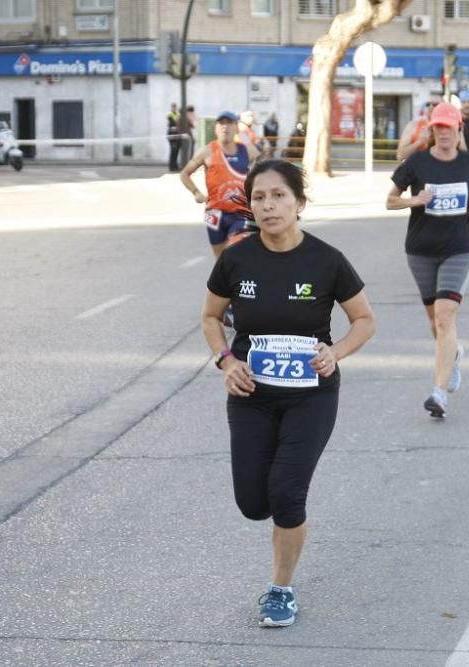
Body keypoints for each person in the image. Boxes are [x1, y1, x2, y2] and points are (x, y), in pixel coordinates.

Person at [202, 159, 375, 628]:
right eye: (259, 197)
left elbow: (364, 320)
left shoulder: (327, 260)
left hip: (310, 396)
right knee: (254, 504)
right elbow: (211, 318)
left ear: (299, 202)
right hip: (251, 394)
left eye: (279, 195)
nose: (269, 205)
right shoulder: (237, 258)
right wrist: (226, 361)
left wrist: (335, 353)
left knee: (287, 493)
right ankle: (279, 541)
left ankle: (281, 589)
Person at [386, 102, 469, 418]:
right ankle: (453, 356)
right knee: (435, 320)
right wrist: (412, 200)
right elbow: (390, 201)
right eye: (438, 127)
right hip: (420, 250)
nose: (444, 132)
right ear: (431, 131)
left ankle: (439, 392)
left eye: (449, 127)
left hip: (458, 247)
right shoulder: (416, 163)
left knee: (445, 316)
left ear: (459, 130)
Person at [180, 111, 261, 258]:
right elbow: (184, 174)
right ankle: (224, 280)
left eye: (229, 123)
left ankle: (236, 277)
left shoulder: (245, 150)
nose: (225, 127)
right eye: (221, 124)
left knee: (235, 249)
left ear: (236, 128)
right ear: (216, 128)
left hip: (240, 212)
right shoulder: (207, 151)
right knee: (220, 258)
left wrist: (243, 133)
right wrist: (196, 192)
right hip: (214, 213)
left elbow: (260, 159)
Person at [167, 103, 181, 172]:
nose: (175, 108)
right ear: (172, 108)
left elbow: (178, 123)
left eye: (175, 107)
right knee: (173, 150)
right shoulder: (170, 114)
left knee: (176, 151)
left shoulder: (177, 114)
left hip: (177, 134)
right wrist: (178, 119)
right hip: (172, 135)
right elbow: (174, 122)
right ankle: (171, 166)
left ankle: (175, 166)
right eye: (173, 107)